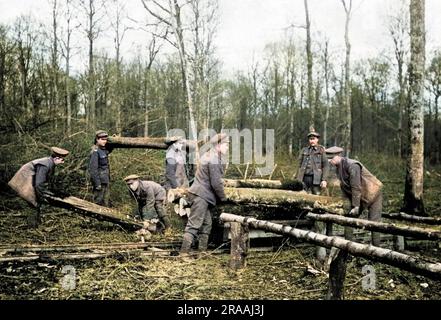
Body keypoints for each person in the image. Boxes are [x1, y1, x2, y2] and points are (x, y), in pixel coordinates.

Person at [180, 133, 229, 254]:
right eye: (226, 144)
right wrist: (223, 198)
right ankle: (183, 253)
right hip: (201, 195)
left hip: (202, 195)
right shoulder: (214, 159)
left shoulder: (209, 155)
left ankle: (202, 252)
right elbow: (216, 183)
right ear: (218, 145)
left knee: (207, 224)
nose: (227, 147)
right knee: (194, 225)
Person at [326, 146, 384, 246]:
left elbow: (355, 186)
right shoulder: (339, 167)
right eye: (328, 159)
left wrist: (356, 206)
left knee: (374, 223)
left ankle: (376, 250)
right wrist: (346, 203)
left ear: (338, 156)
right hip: (359, 195)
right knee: (349, 219)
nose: (329, 161)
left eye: (331, 159)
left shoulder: (352, 165)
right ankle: (348, 246)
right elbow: (344, 186)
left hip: (374, 193)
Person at [8, 147, 70, 228]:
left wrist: (56, 193)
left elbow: (49, 182)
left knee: (36, 202)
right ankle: (32, 226)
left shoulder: (50, 163)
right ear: (57, 158)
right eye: (62, 160)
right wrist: (45, 196)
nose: (63, 162)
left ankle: (35, 224)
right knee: (33, 203)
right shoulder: (45, 165)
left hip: (30, 180)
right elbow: (39, 184)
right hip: (24, 180)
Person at [296, 129, 329, 195]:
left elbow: (326, 166)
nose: (312, 141)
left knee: (316, 196)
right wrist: (297, 177)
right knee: (302, 196)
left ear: (317, 140)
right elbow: (299, 165)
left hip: (316, 179)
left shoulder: (321, 151)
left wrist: (324, 179)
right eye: (310, 139)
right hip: (304, 177)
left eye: (313, 139)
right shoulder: (304, 150)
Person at [89, 130, 112, 206]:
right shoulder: (95, 151)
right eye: (102, 139)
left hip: (105, 180)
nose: (104, 141)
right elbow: (93, 169)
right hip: (99, 182)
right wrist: (97, 183)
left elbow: (111, 147)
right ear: (97, 139)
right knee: (98, 202)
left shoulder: (104, 150)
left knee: (105, 202)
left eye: (105, 139)